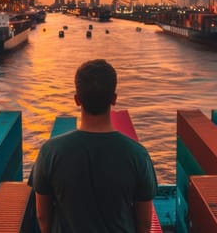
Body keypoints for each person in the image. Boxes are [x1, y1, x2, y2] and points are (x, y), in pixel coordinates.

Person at [32, 59, 158, 233]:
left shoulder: (50, 152)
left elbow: (42, 215)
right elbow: (144, 224)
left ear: (77, 100)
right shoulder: (137, 154)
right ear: (114, 99)